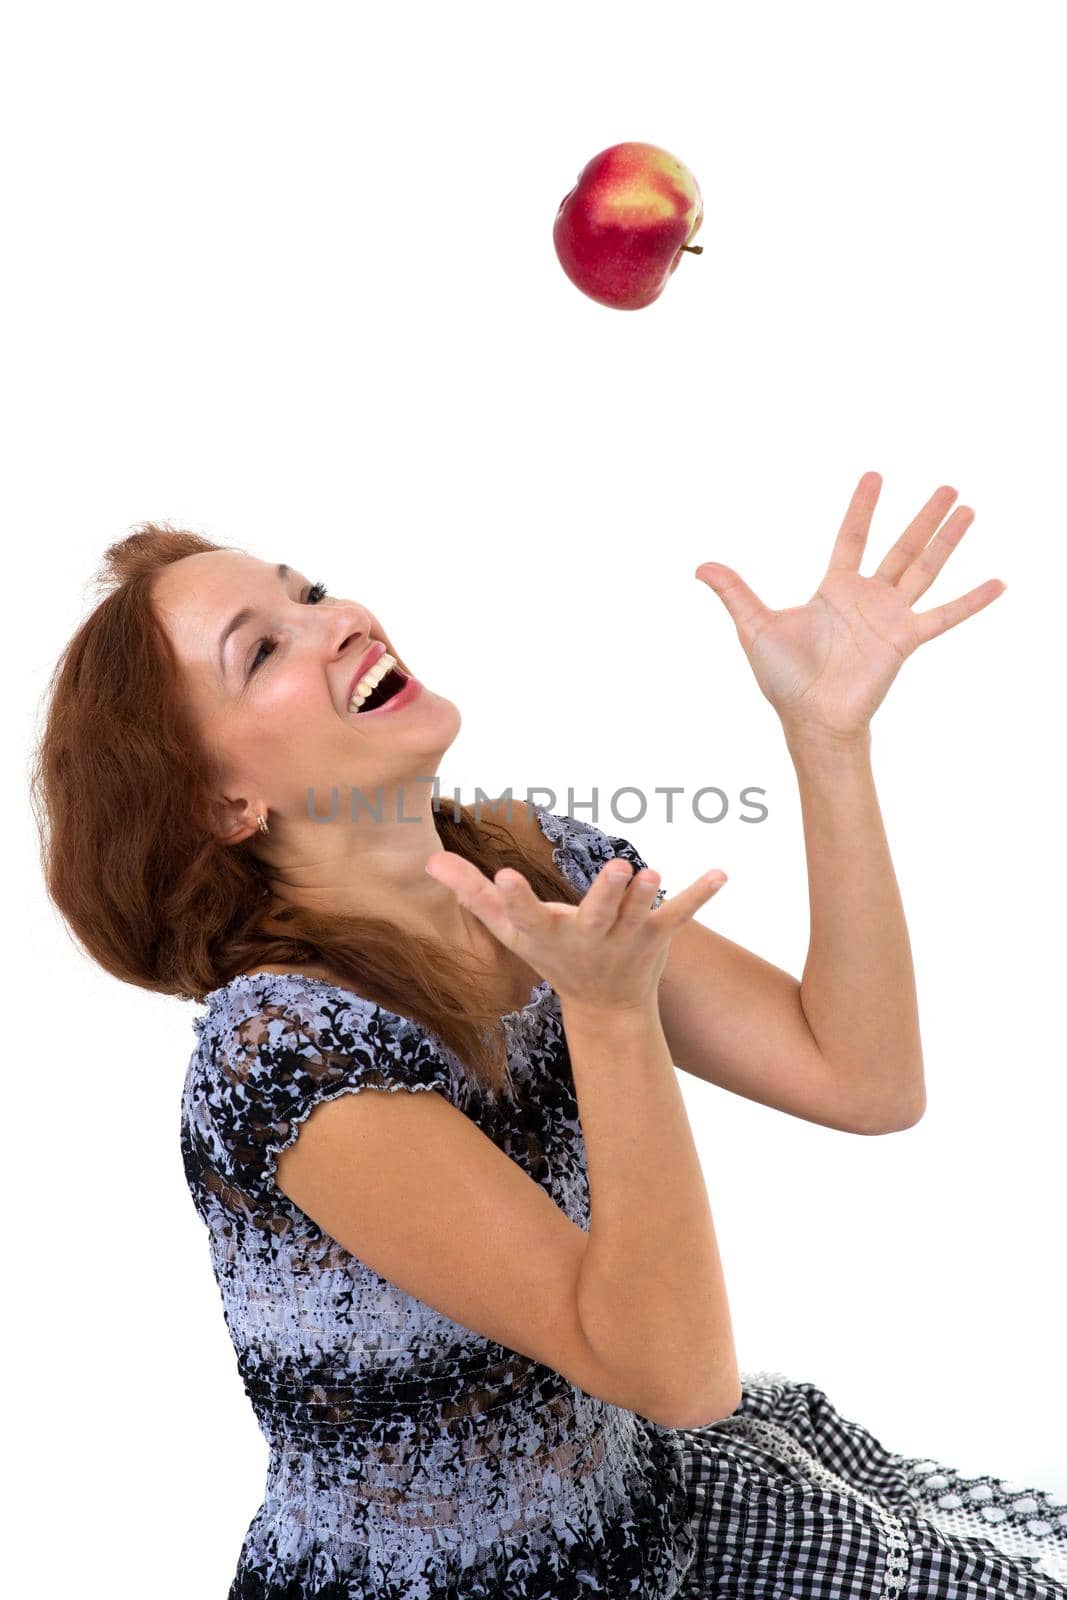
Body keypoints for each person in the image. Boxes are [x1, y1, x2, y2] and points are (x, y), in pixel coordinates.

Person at [30, 472, 1066, 1598]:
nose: (340, 621)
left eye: (311, 592)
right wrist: (610, 1013)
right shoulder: (288, 1056)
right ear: (224, 804)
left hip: (650, 1508)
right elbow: (672, 1373)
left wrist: (825, 738)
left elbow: (862, 1078)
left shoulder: (527, 868)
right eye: (261, 651)